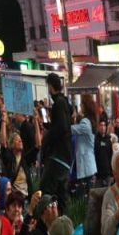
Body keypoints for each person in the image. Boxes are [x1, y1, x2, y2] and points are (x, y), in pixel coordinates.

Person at [39, 73, 72, 212]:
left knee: (45, 195)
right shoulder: (64, 103)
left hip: (57, 157)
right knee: (61, 197)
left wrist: (47, 139)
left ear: (50, 86)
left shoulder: (58, 103)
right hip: (65, 158)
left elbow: (60, 127)